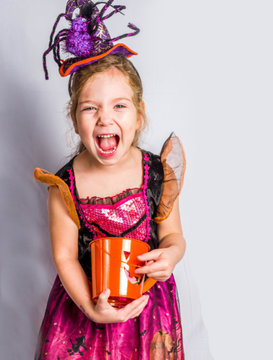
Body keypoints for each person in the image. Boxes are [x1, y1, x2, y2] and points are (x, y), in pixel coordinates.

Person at [34, 1, 186, 358]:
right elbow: (65, 257)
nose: (105, 118)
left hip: (147, 311)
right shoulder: (64, 186)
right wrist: (90, 308)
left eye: (119, 106)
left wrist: (172, 256)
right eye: (91, 108)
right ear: (75, 120)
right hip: (85, 311)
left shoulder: (157, 174)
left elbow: (174, 236)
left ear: (138, 114)